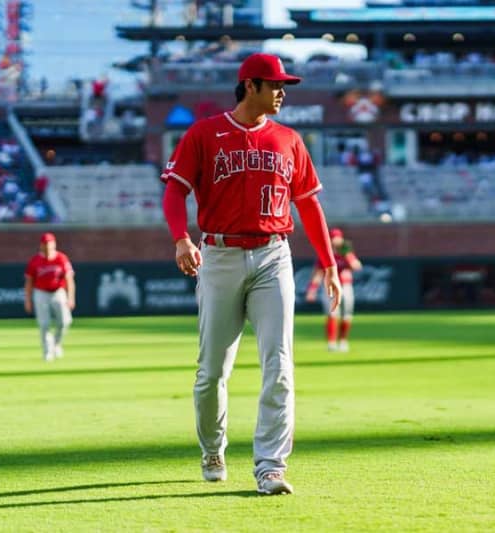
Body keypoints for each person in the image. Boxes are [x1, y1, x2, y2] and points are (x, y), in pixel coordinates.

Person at [160, 52, 342, 496]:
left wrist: (329, 262)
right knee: (211, 372)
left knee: (279, 365)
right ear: (250, 86)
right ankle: (212, 448)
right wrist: (181, 238)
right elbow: (174, 191)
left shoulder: (289, 140)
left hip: (273, 255)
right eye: (276, 84)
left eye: (284, 85)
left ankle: (270, 466)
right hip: (218, 255)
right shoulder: (204, 134)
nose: (282, 92)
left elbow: (309, 206)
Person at [305, 228, 362, 352]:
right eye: (332, 237)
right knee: (331, 313)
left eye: (336, 237)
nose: (334, 240)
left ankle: (343, 341)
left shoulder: (346, 252)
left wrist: (347, 255)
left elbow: (357, 266)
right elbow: (318, 273)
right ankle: (331, 342)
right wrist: (312, 289)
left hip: (345, 285)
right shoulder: (326, 254)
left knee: (347, 314)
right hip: (330, 287)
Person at [23, 232, 75, 362]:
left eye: (50, 244)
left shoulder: (61, 258)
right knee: (44, 324)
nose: (47, 247)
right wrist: (28, 300)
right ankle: (47, 352)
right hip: (41, 293)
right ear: (41, 246)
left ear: (54, 244)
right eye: (45, 245)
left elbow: (69, 279)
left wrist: (71, 297)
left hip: (58, 291)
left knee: (64, 321)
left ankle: (56, 344)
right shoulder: (35, 260)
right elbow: (29, 282)